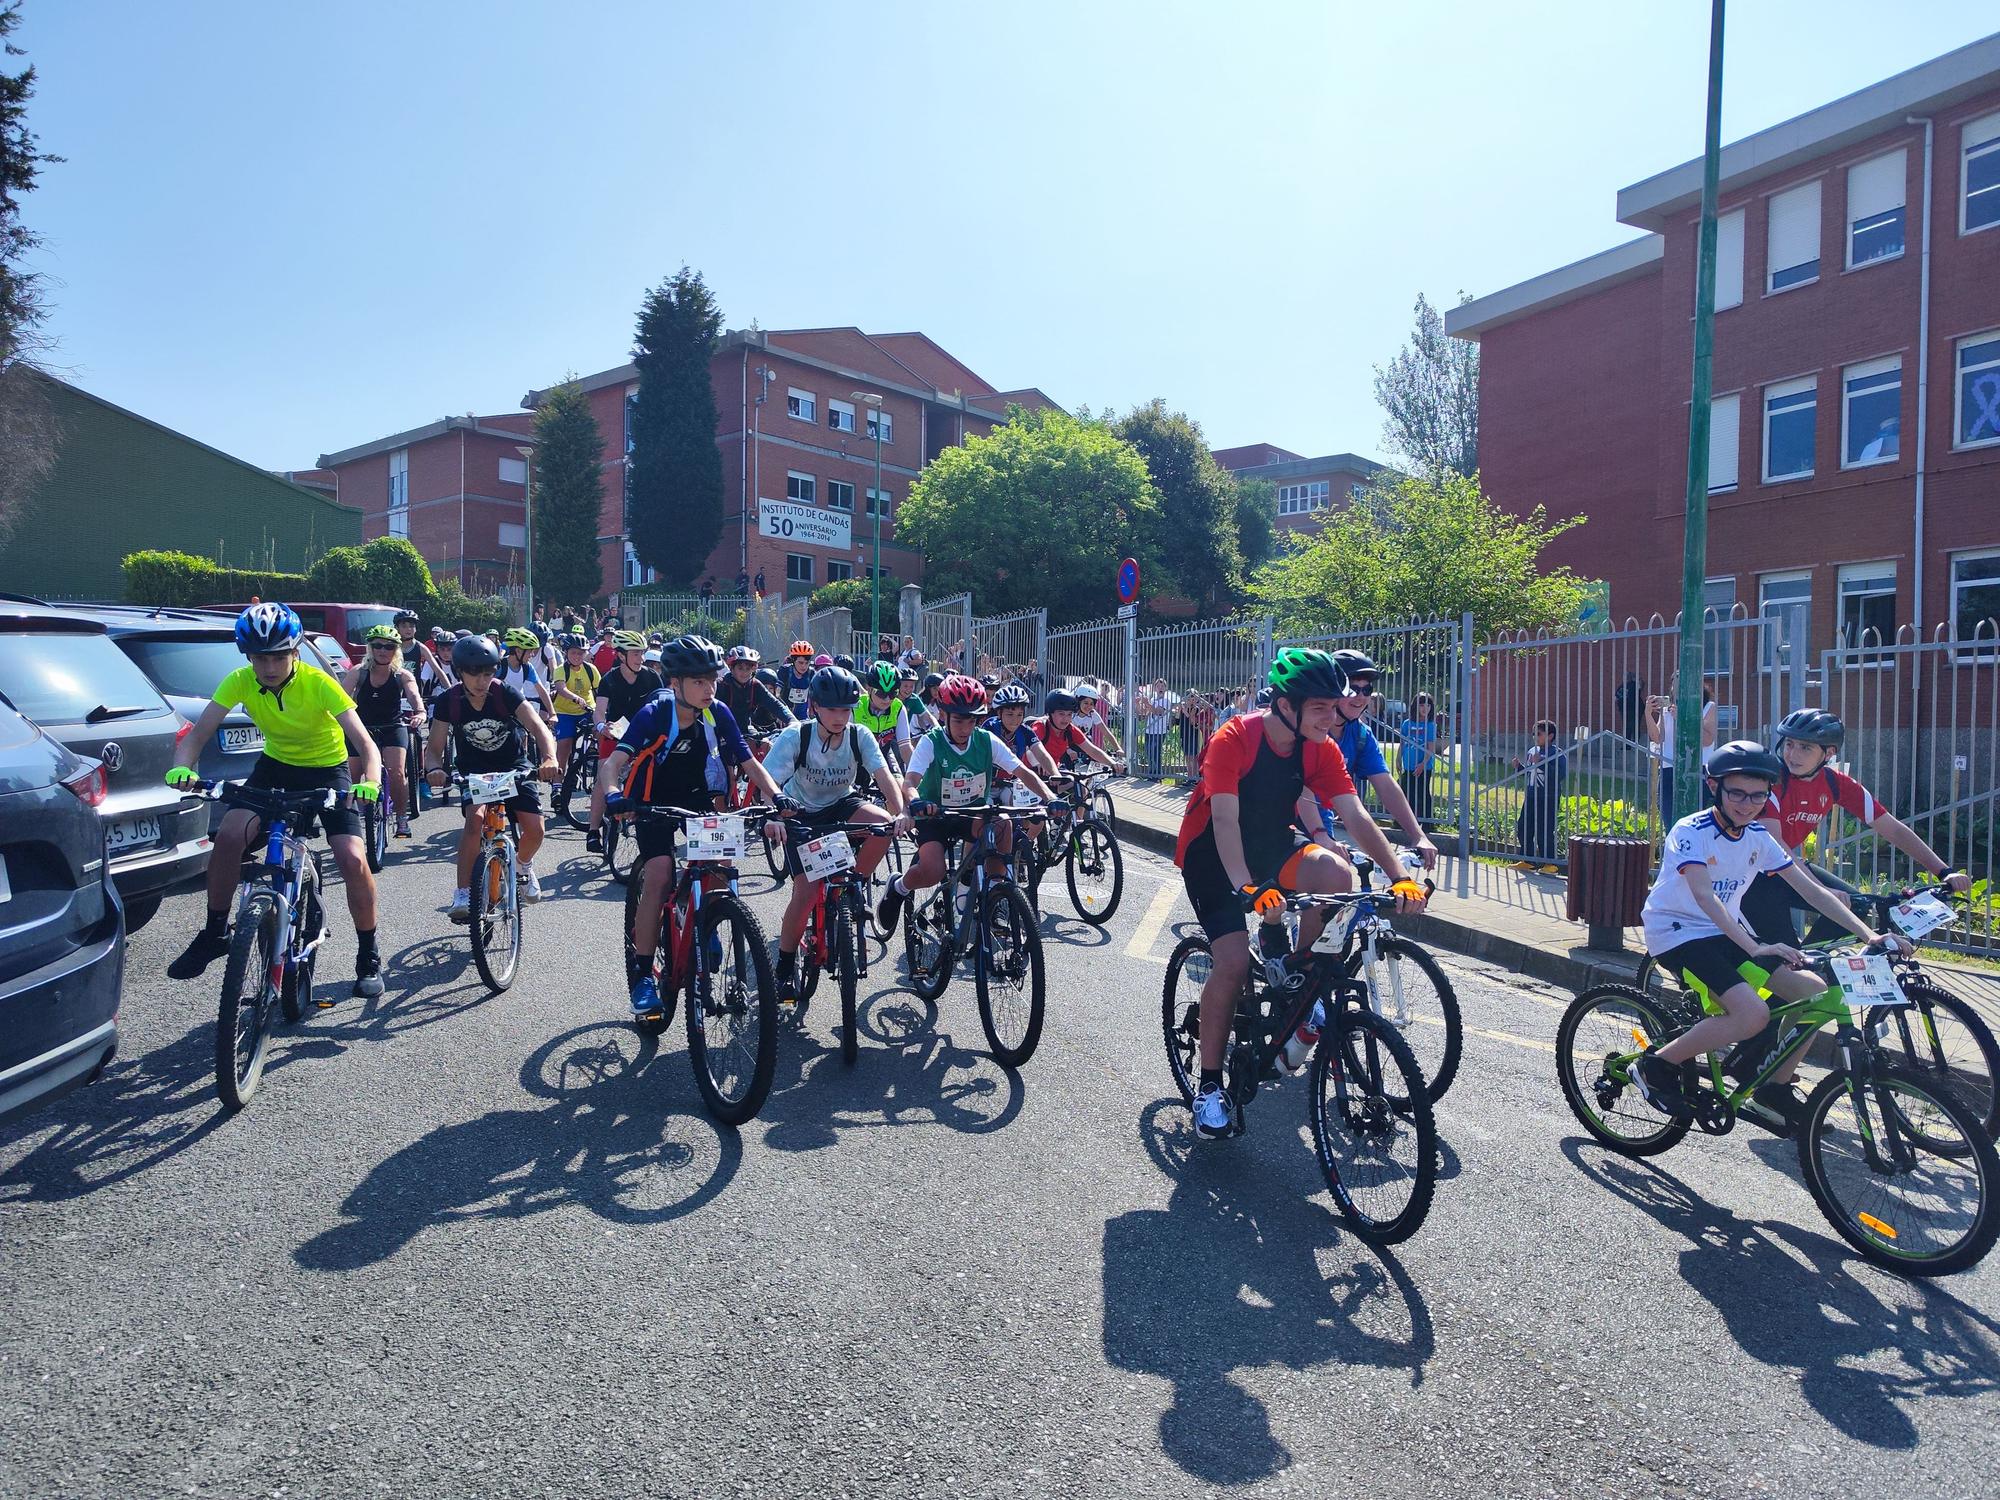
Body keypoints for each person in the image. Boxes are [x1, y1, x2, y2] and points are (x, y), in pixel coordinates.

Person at [1174, 648, 1427, 1140]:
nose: (1333, 718)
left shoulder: (1318, 746)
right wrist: (1247, 888)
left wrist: (1399, 875)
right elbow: (1224, 821)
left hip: (1271, 846)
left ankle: (1299, 979)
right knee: (1230, 962)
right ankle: (1208, 1089)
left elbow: (1355, 816)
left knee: (1337, 875)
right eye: (1321, 709)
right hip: (1214, 856)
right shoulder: (1234, 739)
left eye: (1336, 708)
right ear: (1285, 706)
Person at [1629, 742, 1912, 1127]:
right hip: (1678, 934)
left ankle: (1772, 1090)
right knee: (1752, 1015)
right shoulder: (1691, 830)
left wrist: (1869, 935)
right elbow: (1705, 896)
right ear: (1715, 787)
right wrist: (1756, 946)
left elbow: (1810, 889)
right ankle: (1655, 1065)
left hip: (1727, 932)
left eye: (1758, 796)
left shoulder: (1758, 838)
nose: (1747, 805)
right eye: (1737, 794)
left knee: (1814, 992)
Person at [166, 603, 387, 1000]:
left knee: (352, 858)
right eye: (260, 658)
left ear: (295, 652)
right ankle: (215, 930)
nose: (269, 667)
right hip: (276, 767)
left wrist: (369, 781)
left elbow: (366, 743)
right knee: (230, 835)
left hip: (327, 769)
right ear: (248, 657)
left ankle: (368, 951)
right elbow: (198, 734)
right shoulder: (238, 681)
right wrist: (183, 767)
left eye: (279, 656)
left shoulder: (318, 683)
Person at [601, 636, 783, 1019]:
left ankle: (706, 920)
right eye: (698, 681)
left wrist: (776, 796)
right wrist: (615, 793)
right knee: (660, 875)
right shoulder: (655, 711)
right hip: (651, 800)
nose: (709, 688)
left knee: (719, 864)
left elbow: (748, 762)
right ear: (675, 682)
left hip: (698, 796)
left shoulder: (717, 711)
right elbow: (613, 763)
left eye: (711, 680)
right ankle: (643, 975)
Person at [1739, 709, 1971, 944]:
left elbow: (1893, 829)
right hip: (1752, 876)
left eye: (1805, 747)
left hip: (1790, 868)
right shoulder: (1770, 781)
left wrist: (1944, 871)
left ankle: (1808, 964)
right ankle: (1793, 971)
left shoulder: (1834, 782)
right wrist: (1822, 892)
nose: (1792, 754)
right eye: (1789, 744)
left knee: (1854, 906)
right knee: (1784, 958)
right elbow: (1776, 847)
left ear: (1829, 752)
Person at [761, 666, 908, 1012]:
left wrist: (899, 811)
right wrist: (772, 816)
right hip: (801, 813)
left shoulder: (859, 736)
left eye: (845, 709)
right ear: (814, 707)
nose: (840, 717)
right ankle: (783, 965)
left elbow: (884, 778)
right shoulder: (796, 736)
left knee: (883, 824)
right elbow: (768, 782)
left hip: (842, 804)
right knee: (807, 892)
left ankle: (853, 885)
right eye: (832, 709)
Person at [874, 674, 1054, 933]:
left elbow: (1023, 772)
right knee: (933, 871)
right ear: (944, 715)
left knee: (1002, 824)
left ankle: (993, 895)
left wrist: (1051, 798)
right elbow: (910, 782)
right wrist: (916, 802)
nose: (965, 727)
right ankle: (899, 887)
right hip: (936, 815)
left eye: (972, 720)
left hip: (972, 814)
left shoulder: (986, 740)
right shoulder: (931, 741)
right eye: (959, 720)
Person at [426, 634, 561, 915]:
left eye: (487, 673)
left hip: (513, 766)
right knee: (474, 823)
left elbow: (539, 729)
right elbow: (435, 746)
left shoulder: (504, 694)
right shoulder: (448, 701)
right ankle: (463, 893)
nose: (481, 680)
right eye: (474, 673)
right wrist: (434, 769)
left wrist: (549, 757)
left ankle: (523, 866)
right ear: (460, 672)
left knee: (535, 829)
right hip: (474, 771)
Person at [346, 625, 428, 838]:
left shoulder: (402, 675)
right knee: (351, 775)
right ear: (370, 648)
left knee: (397, 772)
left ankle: (401, 819)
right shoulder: (358, 672)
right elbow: (341, 699)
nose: (383, 650)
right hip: (361, 729)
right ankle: (349, 818)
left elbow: (414, 697)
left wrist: (419, 712)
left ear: (396, 650)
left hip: (392, 727)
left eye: (389, 647)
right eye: (378, 646)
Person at [587, 631, 662, 852]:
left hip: (645, 735)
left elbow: (664, 705)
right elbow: (599, 711)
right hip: (617, 734)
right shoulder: (609, 679)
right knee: (603, 778)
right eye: (635, 653)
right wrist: (602, 727)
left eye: (642, 653)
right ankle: (593, 831)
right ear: (621, 656)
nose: (641, 658)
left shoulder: (652, 677)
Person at [1647, 673, 1716, 815]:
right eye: (1674, 684)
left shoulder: (1708, 707)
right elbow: (1657, 738)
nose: (1676, 688)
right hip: (1669, 767)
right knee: (1668, 815)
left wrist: (1682, 718)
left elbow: (1708, 740)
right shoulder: (1667, 710)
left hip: (1696, 768)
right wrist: (1648, 713)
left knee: (1693, 817)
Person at [548, 634, 602, 805]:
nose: (577, 656)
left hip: (588, 710)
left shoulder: (591, 669)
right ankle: (556, 787)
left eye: (581, 653)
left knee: (602, 734)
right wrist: (575, 698)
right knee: (564, 747)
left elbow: (600, 691)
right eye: (574, 653)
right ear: (566, 653)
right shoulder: (561, 670)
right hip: (565, 711)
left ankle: (597, 768)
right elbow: (561, 688)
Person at [1511, 719, 1568, 871]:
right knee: (1524, 827)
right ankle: (1527, 860)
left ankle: (1549, 864)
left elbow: (1559, 775)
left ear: (1550, 736)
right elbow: (1530, 773)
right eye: (1533, 733)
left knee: (1544, 830)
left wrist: (1542, 762)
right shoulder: (1532, 751)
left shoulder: (1557, 753)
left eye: (1539, 733)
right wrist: (1519, 768)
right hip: (1531, 796)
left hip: (1548, 798)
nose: (1535, 736)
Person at [716, 644, 794, 737]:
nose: (744, 672)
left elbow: (775, 705)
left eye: (748, 668)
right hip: (721, 733)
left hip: (745, 731)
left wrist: (792, 721)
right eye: (740, 668)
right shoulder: (721, 685)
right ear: (731, 668)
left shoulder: (755, 685)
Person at [854, 660, 915, 770]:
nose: (887, 699)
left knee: (899, 786)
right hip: (856, 760)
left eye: (893, 694)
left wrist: (918, 777)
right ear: (869, 689)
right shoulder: (856, 706)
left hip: (884, 756)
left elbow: (905, 747)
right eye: (881, 693)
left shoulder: (898, 707)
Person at [1397, 692, 1440, 824]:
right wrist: (1398, 759)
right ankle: (1402, 822)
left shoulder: (1431, 725)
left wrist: (1423, 764)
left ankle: (1426, 823)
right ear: (1415, 706)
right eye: (1421, 705)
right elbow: (1402, 743)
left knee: (1423, 794)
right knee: (1405, 793)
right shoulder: (1406, 724)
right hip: (1408, 765)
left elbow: (1431, 748)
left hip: (1424, 767)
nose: (1425, 708)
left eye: (1428, 705)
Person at [1073, 683, 1124, 760]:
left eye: (1091, 704)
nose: (1088, 707)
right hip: (1063, 743)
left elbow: (1106, 732)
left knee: (1090, 743)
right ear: (1078, 701)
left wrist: (1118, 748)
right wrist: (1068, 749)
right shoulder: (1070, 714)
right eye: (1085, 703)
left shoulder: (1092, 714)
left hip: (1079, 743)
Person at [1140, 678, 1176, 778]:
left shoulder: (1166, 701)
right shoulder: (1152, 699)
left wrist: (1147, 704)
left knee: (1155, 753)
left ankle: (1157, 774)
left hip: (1159, 731)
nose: (1160, 688)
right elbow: (1147, 713)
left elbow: (1158, 712)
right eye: (1158, 686)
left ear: (1165, 688)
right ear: (1155, 688)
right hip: (1149, 730)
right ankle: (1152, 773)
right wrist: (1142, 706)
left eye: (1162, 686)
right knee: (1148, 752)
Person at [777, 641, 817, 718]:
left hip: (804, 716)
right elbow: (777, 693)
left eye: (807, 663)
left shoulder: (811, 673)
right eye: (800, 663)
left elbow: (815, 695)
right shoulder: (785, 671)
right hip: (786, 715)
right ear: (793, 661)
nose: (804, 666)